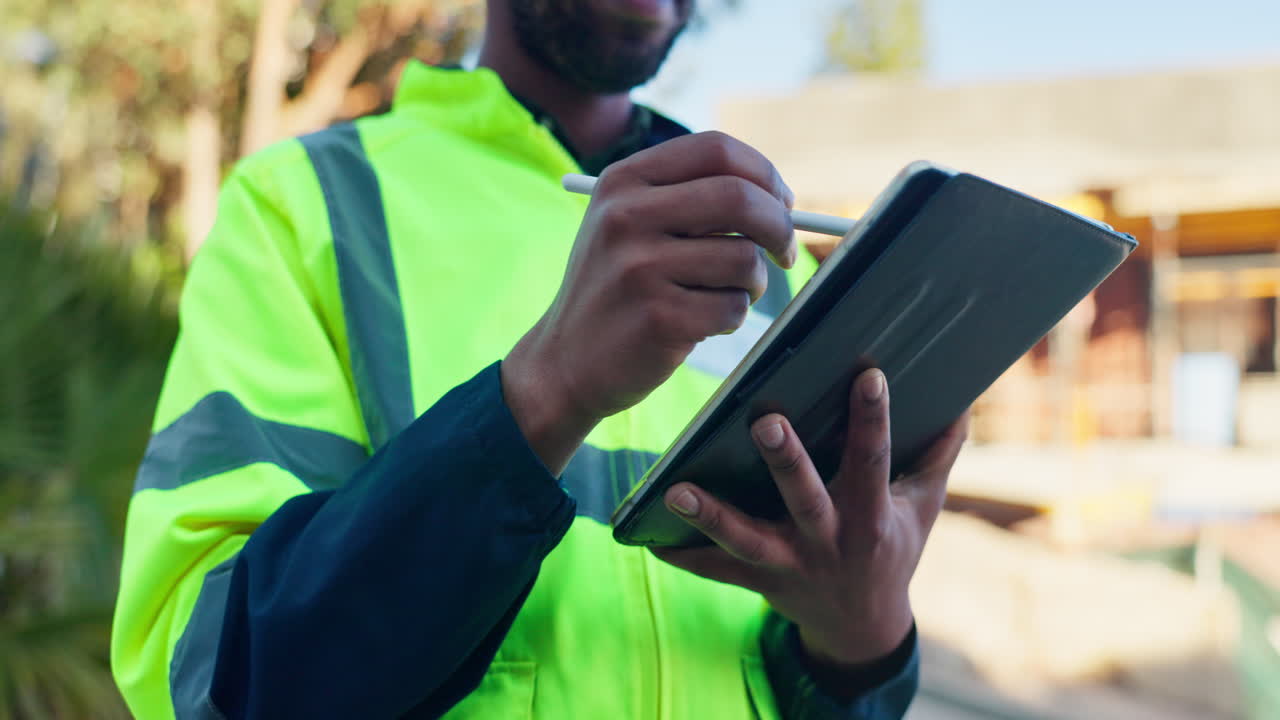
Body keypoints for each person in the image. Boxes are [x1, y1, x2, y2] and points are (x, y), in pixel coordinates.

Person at [110, 0, 969, 717]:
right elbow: (204, 678)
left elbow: (811, 676)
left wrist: (861, 642)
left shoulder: (776, 258)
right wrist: (544, 392)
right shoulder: (302, 207)